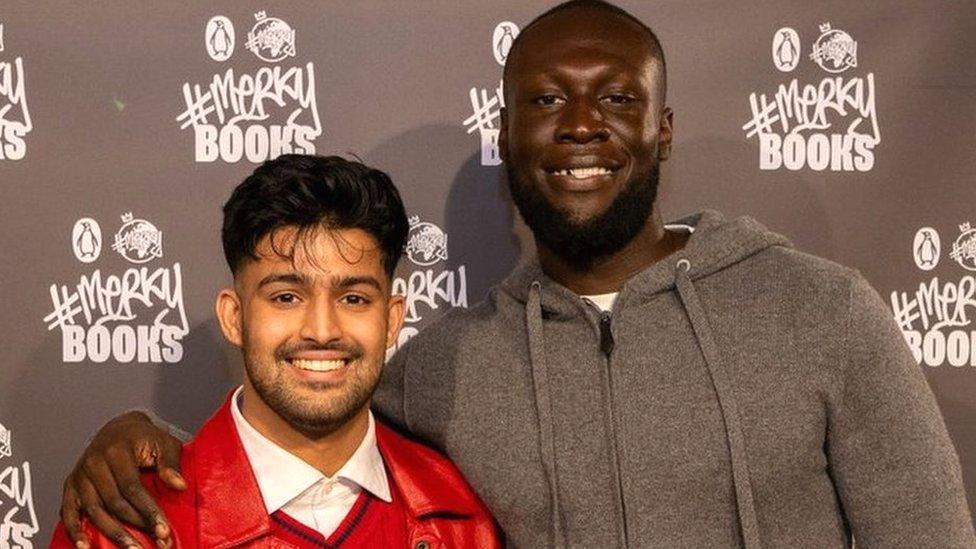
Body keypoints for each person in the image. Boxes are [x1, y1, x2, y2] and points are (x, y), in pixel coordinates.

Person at [59, 1, 976, 547]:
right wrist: (139, 437)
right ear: (505, 137)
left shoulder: (823, 312)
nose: (580, 125)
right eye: (545, 100)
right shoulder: (444, 367)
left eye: (617, 98)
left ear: (663, 129)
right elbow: (304, 409)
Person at [51, 155, 500, 548]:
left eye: (354, 299)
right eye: (286, 297)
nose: (322, 330)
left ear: (392, 319)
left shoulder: (460, 514)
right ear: (234, 316)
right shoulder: (126, 522)